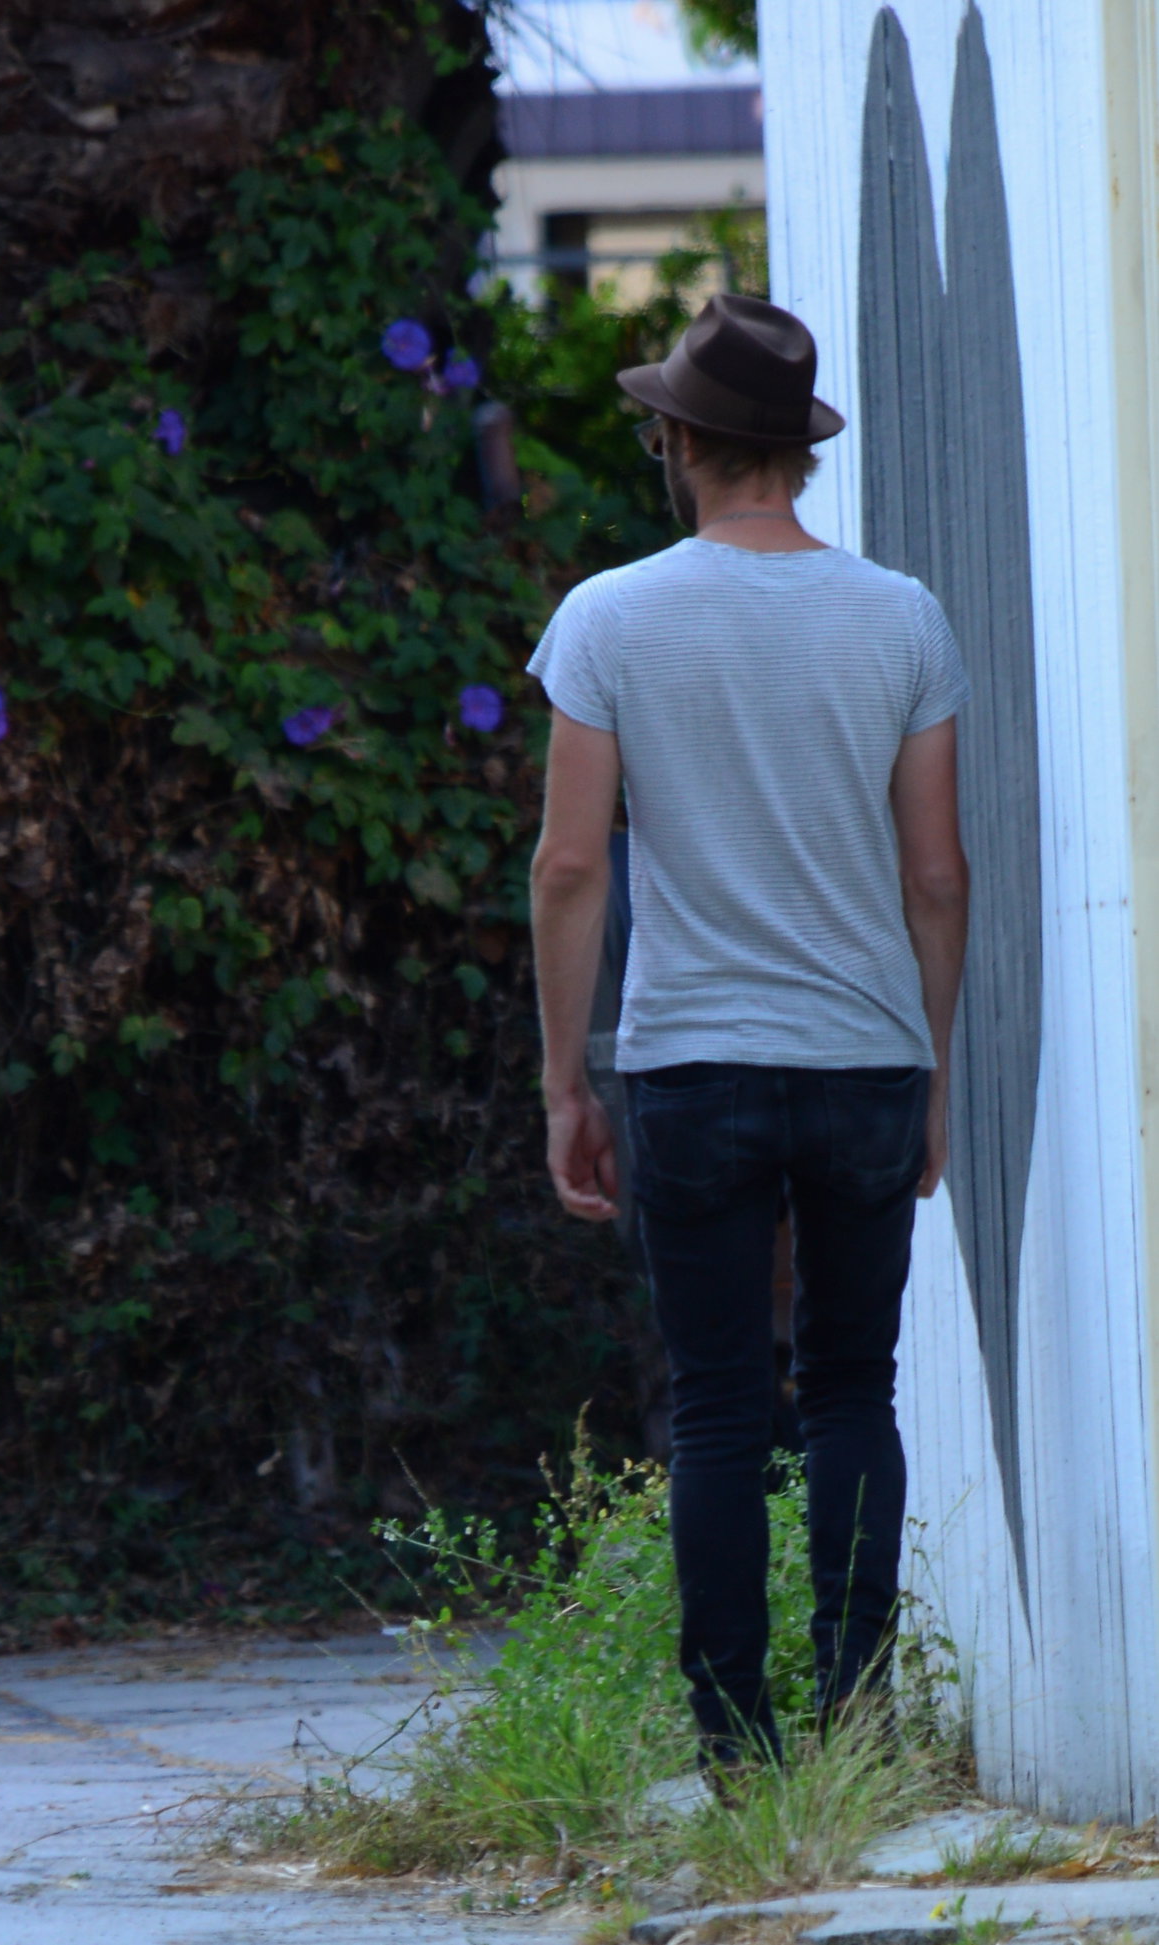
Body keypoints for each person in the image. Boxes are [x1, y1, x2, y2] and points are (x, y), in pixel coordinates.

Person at [526, 295, 970, 1770]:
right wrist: (933, 1071)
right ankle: (855, 1720)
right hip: (862, 1051)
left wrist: (561, 1078)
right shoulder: (898, 615)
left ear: (678, 442)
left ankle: (733, 1746)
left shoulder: (609, 617)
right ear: (796, 452)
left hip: (690, 1059)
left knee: (715, 1405)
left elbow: (571, 864)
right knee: (853, 1388)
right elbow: (933, 872)